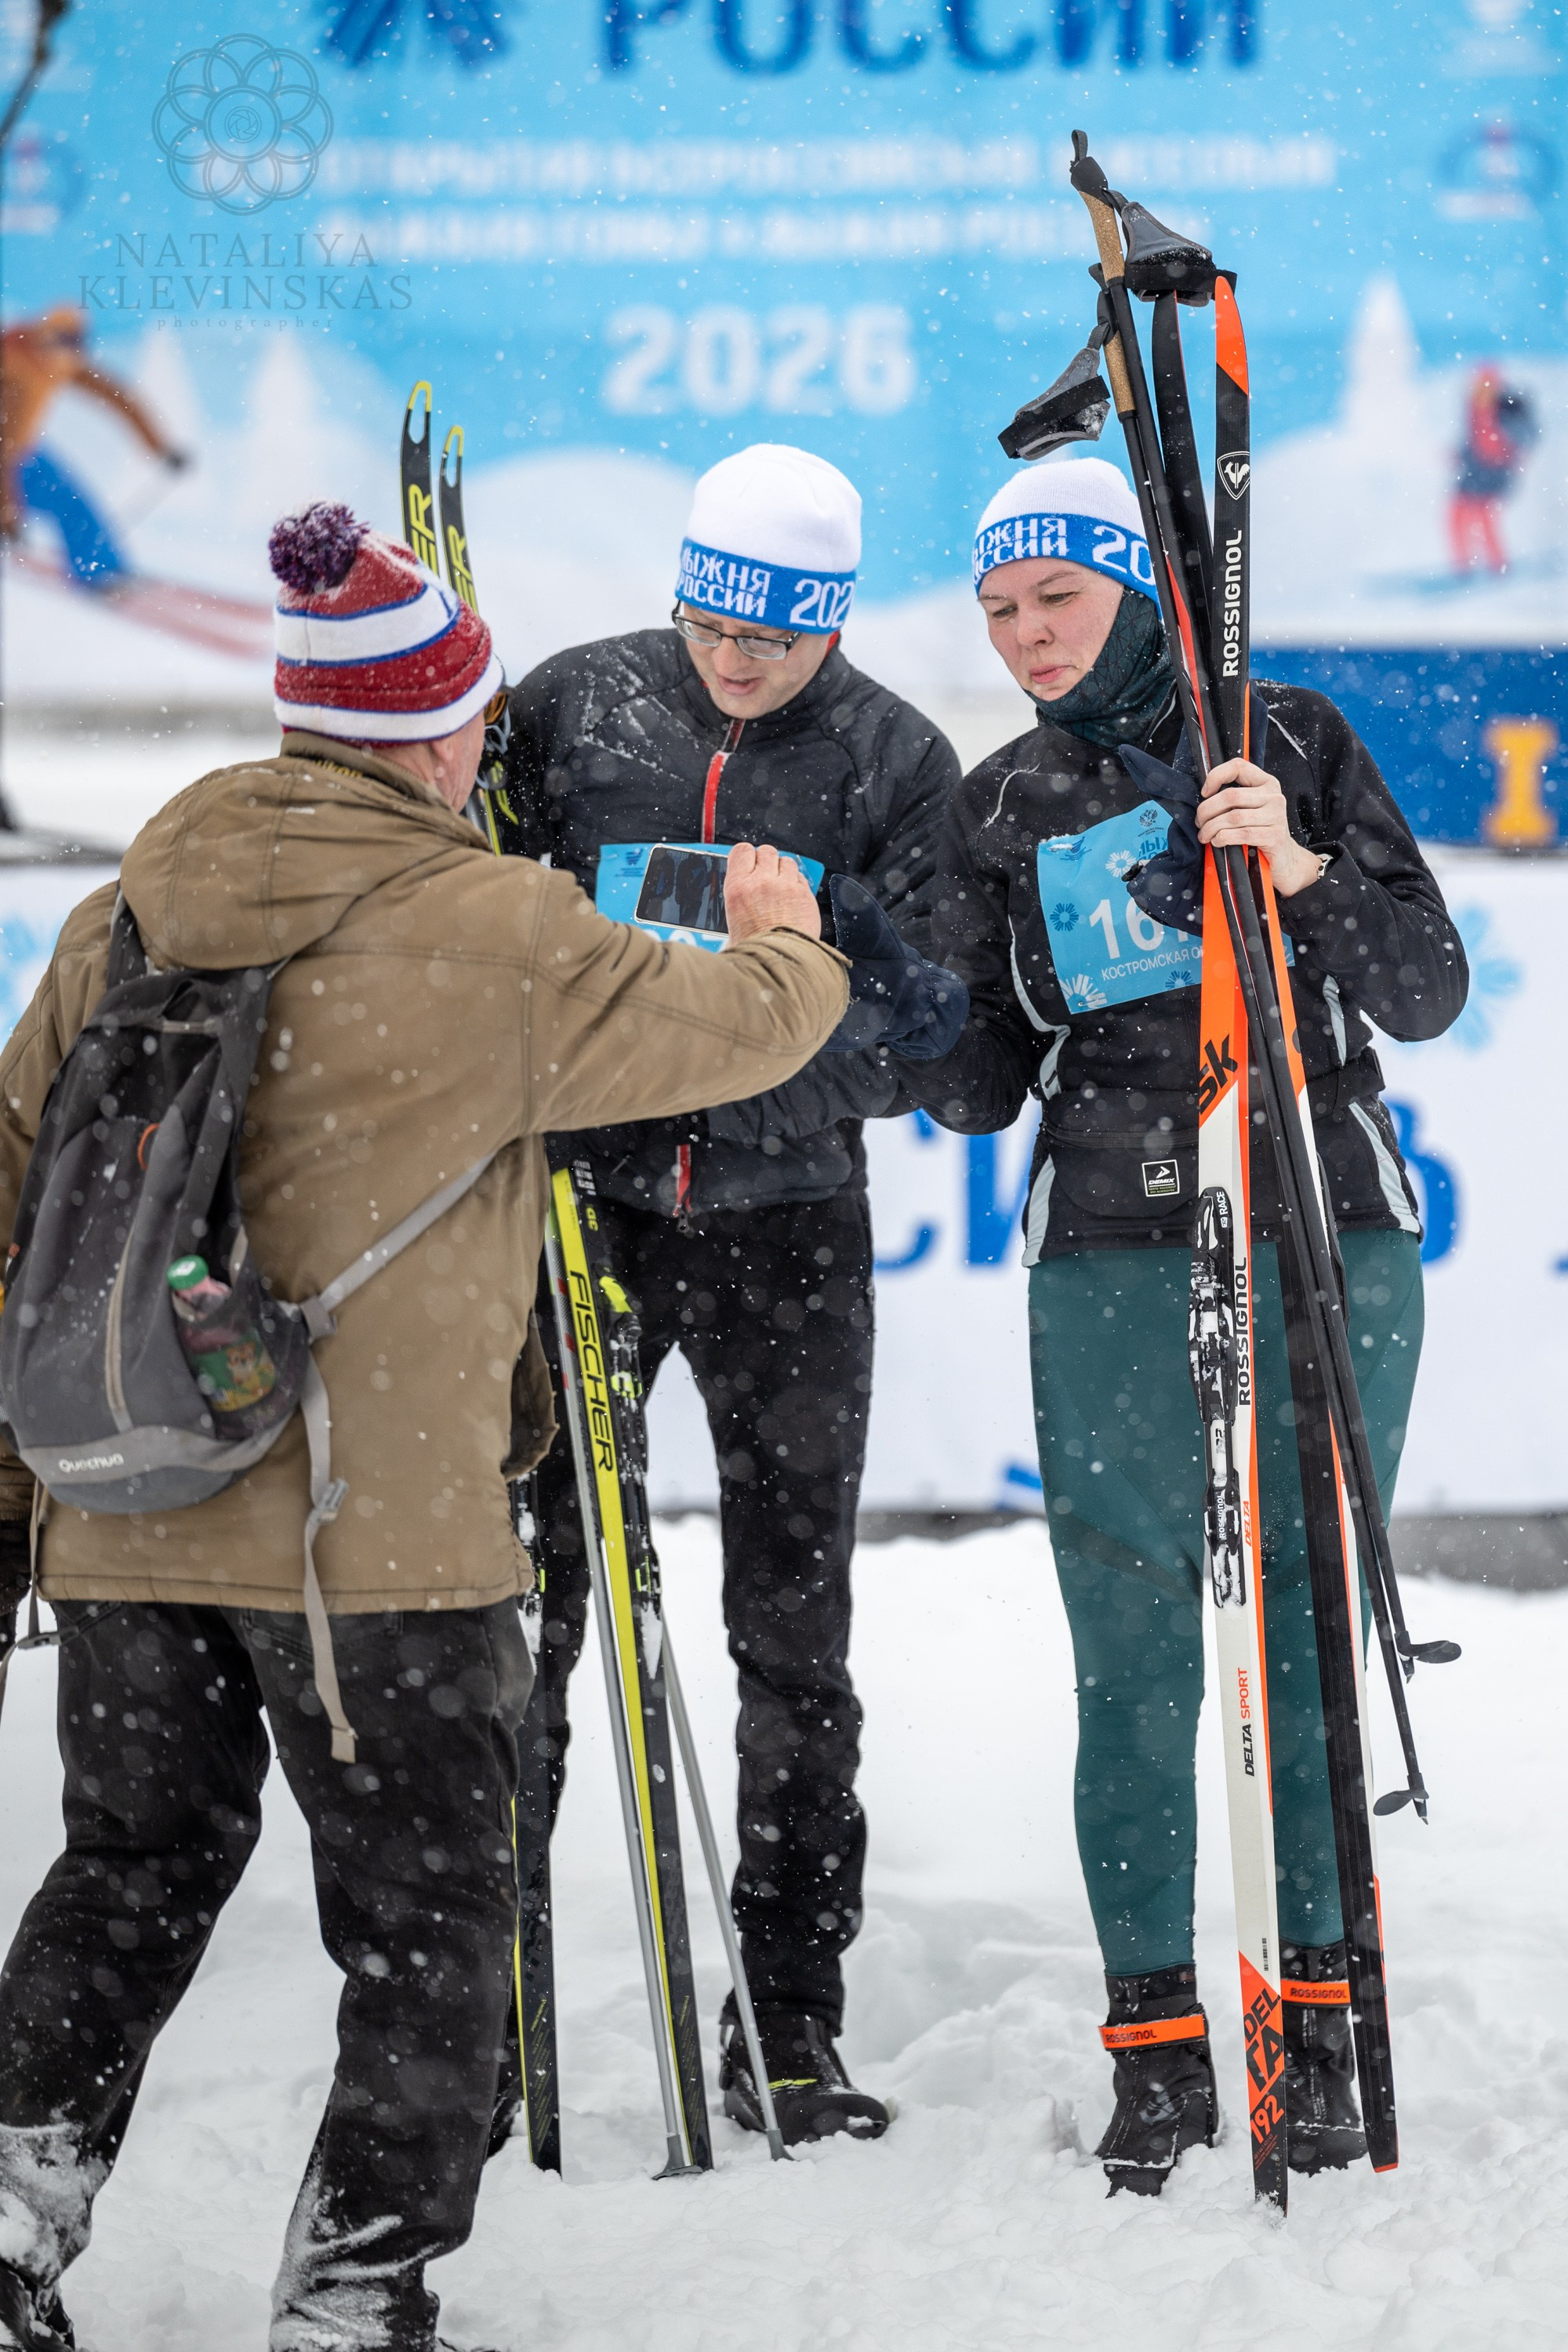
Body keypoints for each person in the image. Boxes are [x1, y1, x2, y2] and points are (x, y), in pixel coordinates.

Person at [0, 503, 849, 2352]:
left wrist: (21, 1493)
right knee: (425, 1926)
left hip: (126, 1502)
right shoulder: (495, 929)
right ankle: (354, 2298)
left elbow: (16, 1192)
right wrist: (789, 935)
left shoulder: (129, 902)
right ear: (440, 736)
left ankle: (10, 2219)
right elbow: (746, 1031)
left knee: (125, 1876)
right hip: (374, 1545)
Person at [898, 458, 1468, 2194]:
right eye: (996, 614)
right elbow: (974, 1092)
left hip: (1316, 1221)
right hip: (1115, 1249)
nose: (1022, 641)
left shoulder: (1282, 735)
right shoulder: (996, 802)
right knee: (1135, 1648)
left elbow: (1425, 988)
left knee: (1293, 1624)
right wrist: (901, 972)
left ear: (1137, 588)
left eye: (1052, 602)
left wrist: (1292, 871)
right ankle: (1156, 2041)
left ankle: (1311, 2020)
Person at [491, 442, 961, 2144]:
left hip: (787, 1234)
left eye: (774, 634)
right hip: (584, 1214)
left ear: (831, 619)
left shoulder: (900, 759)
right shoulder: (573, 711)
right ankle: (487, 2013)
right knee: (530, 1613)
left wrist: (806, 937)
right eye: (710, 618)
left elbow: (938, 1041)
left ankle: (793, 2018)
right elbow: (476, 927)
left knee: (793, 1633)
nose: (734, 658)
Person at [0, 305, 187, 586]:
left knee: (73, 500)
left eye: (78, 343)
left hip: (24, 452)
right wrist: (7, 515)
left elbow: (118, 397)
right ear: (45, 336)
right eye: (66, 341)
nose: (72, 352)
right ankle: (96, 571)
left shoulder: (60, 364)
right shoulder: (14, 362)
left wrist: (160, 447)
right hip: (8, 456)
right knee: (59, 500)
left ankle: (100, 567)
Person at [1449, 362, 1537, 575]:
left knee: (1481, 516)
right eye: (1479, 384)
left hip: (1495, 472)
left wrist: (1513, 455)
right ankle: (1466, 566)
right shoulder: (1475, 408)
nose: (1482, 389)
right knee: (1459, 514)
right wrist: (1459, 454)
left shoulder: (1505, 407)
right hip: (1476, 470)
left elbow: (1519, 439)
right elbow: (1475, 442)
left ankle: (1496, 566)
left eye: (1487, 384)